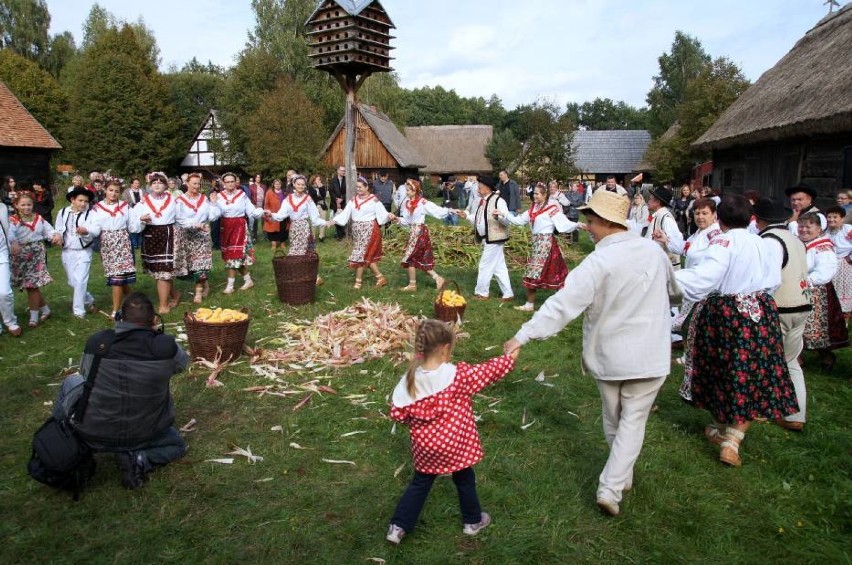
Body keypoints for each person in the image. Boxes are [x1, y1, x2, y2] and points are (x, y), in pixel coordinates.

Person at [503, 189, 681, 517]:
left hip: (612, 356)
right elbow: (676, 290)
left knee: (616, 418)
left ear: (607, 221)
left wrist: (522, 335)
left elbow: (563, 304)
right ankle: (619, 477)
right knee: (630, 420)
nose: (588, 227)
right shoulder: (653, 253)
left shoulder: (599, 261)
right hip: (649, 356)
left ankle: (611, 487)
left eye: (591, 221)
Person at [675, 195, 798, 468]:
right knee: (754, 371)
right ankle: (731, 439)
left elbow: (705, 277)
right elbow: (774, 280)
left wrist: (667, 277)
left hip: (726, 312)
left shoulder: (723, 241)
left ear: (719, 219)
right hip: (761, 310)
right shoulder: (765, 243)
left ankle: (723, 432)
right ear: (751, 218)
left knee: (718, 368)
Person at [386, 319, 518, 545]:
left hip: (427, 448)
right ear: (446, 349)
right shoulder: (458, 376)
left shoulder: (409, 380)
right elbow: (489, 371)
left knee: (420, 483)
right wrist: (511, 356)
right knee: (465, 478)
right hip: (457, 445)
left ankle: (398, 527)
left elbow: (399, 414)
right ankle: (472, 521)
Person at [51, 292, 189, 489]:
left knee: (71, 381)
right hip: (145, 434)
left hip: (92, 433)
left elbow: (86, 374)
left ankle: (62, 440)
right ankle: (139, 458)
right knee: (177, 446)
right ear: (155, 320)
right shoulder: (166, 348)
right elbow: (182, 365)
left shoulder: (97, 342)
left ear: (119, 318)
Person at [753, 197, 812, 432]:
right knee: (790, 361)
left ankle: (760, 407)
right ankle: (796, 414)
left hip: (780, 307)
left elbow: (769, 278)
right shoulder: (796, 240)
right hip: (802, 304)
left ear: (759, 220)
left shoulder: (769, 241)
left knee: (763, 357)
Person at [496, 182, 582, 312]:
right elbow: (518, 220)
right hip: (537, 244)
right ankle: (532, 305)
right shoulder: (533, 208)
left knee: (546, 274)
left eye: (537, 194)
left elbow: (563, 223)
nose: (534, 196)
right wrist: (504, 214)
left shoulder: (551, 208)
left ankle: (563, 303)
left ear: (544, 194)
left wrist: (578, 225)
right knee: (542, 274)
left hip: (547, 244)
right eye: (534, 193)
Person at [798, 212, 849, 370]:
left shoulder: (823, 247)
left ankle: (826, 356)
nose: (804, 229)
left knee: (815, 330)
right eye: (801, 226)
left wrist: (806, 281)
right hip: (799, 288)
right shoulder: (799, 242)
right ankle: (797, 360)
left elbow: (825, 272)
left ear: (819, 228)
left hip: (816, 292)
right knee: (796, 328)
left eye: (808, 226)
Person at [78, 179, 136, 319]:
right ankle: (135, 302)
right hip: (108, 243)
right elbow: (95, 228)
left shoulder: (125, 206)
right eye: (111, 190)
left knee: (118, 277)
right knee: (119, 277)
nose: (113, 193)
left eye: (117, 191)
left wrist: (142, 220)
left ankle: (116, 311)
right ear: (105, 190)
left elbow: (133, 224)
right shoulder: (97, 208)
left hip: (122, 241)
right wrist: (86, 230)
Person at [130, 172, 184, 314]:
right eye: (154, 183)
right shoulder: (144, 201)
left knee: (164, 270)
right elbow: (133, 218)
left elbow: (181, 217)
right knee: (158, 270)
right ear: (150, 185)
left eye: (160, 182)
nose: (157, 185)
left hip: (167, 234)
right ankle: (174, 294)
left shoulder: (173, 200)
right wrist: (141, 218)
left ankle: (163, 304)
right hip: (150, 235)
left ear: (166, 185)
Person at [387, 179, 451, 291]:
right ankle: (437, 278)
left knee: (409, 257)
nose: (406, 192)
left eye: (408, 190)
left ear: (415, 190)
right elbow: (407, 221)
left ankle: (413, 285)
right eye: (406, 190)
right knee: (417, 258)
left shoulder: (422, 203)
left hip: (420, 232)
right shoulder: (407, 203)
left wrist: (450, 210)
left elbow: (436, 211)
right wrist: (396, 219)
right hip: (413, 232)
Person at [457, 176, 513, 302]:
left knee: (484, 265)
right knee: (499, 267)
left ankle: (482, 293)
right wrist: (465, 215)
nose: (478, 188)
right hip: (487, 238)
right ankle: (508, 293)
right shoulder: (482, 201)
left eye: (480, 185)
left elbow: (506, 218)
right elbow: (479, 219)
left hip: (495, 238)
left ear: (488, 188)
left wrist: (499, 217)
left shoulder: (498, 201)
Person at [327, 175, 390, 289]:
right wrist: (334, 220)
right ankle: (380, 278)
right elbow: (345, 214)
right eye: (357, 187)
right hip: (358, 231)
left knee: (360, 254)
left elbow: (383, 214)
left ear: (367, 188)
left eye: (360, 187)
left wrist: (389, 216)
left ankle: (358, 282)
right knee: (365, 255)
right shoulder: (353, 200)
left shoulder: (373, 200)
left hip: (369, 229)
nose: (358, 189)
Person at [266, 175, 327, 285]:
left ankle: (310, 275)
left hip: (304, 227)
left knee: (305, 251)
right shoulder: (288, 199)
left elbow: (314, 217)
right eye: (298, 184)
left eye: (303, 184)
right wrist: (271, 214)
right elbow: (281, 215)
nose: (300, 186)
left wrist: (326, 222)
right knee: (295, 249)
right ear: (293, 184)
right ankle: (301, 274)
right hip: (294, 228)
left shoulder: (307, 199)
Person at [9, 192, 56, 328]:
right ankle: (46, 310)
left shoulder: (38, 218)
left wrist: (55, 235)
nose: (26, 207)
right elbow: (10, 234)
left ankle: (33, 317)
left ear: (33, 205)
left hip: (36, 253)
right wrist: (14, 242)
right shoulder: (13, 220)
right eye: (23, 205)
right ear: (16, 205)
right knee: (30, 285)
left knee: (32, 285)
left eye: (29, 204)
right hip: (20, 255)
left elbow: (49, 230)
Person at [212, 172, 264, 294]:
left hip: (239, 226)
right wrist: (213, 204)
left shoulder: (242, 195)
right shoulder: (219, 197)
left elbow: (251, 210)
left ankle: (230, 286)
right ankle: (248, 280)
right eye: (227, 182)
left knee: (234, 256)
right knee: (232, 256)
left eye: (232, 181)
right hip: (225, 227)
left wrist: (260, 212)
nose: (230, 184)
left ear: (236, 182)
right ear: (223, 184)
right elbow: (214, 215)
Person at [175, 172, 220, 304]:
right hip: (188, 235)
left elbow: (212, 217)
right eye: (194, 183)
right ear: (187, 184)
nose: (196, 186)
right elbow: (179, 219)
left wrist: (213, 203)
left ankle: (198, 293)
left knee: (201, 264)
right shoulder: (180, 200)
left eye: (198, 184)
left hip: (202, 236)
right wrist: (194, 225)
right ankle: (205, 285)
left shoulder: (204, 199)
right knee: (191, 265)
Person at [55, 187, 97, 319]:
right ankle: (89, 300)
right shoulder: (62, 212)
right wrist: (58, 236)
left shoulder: (90, 213)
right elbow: (58, 228)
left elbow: (95, 229)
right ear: (72, 200)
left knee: (80, 281)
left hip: (84, 251)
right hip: (67, 251)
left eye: (86, 201)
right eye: (80, 200)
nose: (83, 204)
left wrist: (86, 231)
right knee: (72, 282)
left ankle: (79, 312)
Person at [647, 186, 684, 270]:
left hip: (666, 267)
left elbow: (676, 241)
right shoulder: (658, 216)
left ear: (657, 202)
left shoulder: (666, 218)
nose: (648, 202)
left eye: (650, 199)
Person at [825, 205, 851, 317]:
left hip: (846, 265)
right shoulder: (825, 231)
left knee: (845, 291)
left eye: (835, 217)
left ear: (842, 218)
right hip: (831, 264)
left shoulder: (848, 229)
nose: (831, 219)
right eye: (829, 217)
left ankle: (845, 322)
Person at [0, 196, 21, 336]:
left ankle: (10, 321)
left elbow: (8, 227)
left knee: (4, 292)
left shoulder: (2, 207)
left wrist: (13, 241)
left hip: (1, 253)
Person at [263, 178, 287, 251]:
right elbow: (266, 203)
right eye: (276, 184)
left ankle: (282, 243)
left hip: (282, 213)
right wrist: (267, 212)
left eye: (279, 184)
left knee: (283, 229)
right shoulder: (269, 192)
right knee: (272, 230)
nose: (278, 185)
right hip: (272, 213)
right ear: (273, 185)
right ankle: (273, 244)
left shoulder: (284, 192)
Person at [308, 174, 329, 242]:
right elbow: (313, 197)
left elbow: (324, 196)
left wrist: (321, 188)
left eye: (319, 179)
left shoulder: (322, 186)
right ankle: (313, 237)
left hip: (322, 205)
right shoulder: (310, 187)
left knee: (323, 221)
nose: (319, 180)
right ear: (314, 180)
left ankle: (321, 236)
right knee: (313, 221)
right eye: (318, 179)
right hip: (314, 206)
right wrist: (317, 201)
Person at [329, 165, 347, 240]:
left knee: (344, 218)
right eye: (342, 170)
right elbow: (331, 191)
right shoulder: (333, 180)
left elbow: (347, 191)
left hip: (344, 202)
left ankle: (343, 233)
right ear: (338, 171)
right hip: (335, 202)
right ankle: (339, 235)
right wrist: (336, 200)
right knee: (336, 218)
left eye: (344, 171)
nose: (343, 172)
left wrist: (342, 199)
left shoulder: (346, 180)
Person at [248, 174, 266, 241]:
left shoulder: (264, 186)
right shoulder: (251, 186)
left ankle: (265, 236)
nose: (258, 178)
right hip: (254, 205)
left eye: (259, 177)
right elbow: (250, 196)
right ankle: (254, 236)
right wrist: (252, 205)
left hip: (263, 205)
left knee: (264, 221)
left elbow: (265, 196)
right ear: (254, 178)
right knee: (255, 222)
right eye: (257, 177)